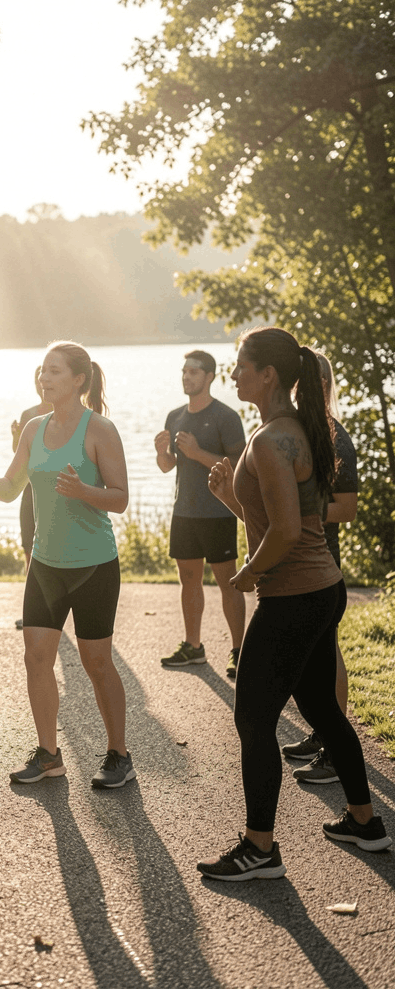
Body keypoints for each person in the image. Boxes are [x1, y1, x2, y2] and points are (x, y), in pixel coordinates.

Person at [196, 327, 389, 882]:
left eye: (239, 366)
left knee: (253, 718)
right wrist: (231, 497)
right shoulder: (300, 429)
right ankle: (365, 822)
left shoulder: (270, 439)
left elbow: (282, 533)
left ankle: (259, 849)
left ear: (268, 375)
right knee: (323, 709)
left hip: (293, 598)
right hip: (320, 591)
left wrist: (247, 573)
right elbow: (285, 520)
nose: (233, 375)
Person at [0, 341, 134, 789]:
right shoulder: (33, 429)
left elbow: (120, 498)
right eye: (42, 370)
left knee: (97, 663)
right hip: (45, 565)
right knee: (36, 656)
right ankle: (49, 754)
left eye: (54, 371)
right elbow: (9, 489)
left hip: (94, 565)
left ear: (78, 380)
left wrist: (84, 493)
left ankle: (119, 754)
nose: (45, 377)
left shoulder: (100, 430)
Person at [282, 350, 359, 784]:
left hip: (323, 564)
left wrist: (294, 508)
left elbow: (346, 509)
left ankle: (334, 751)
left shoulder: (334, 436)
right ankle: (322, 733)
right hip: (301, 563)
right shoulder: (301, 432)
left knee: (327, 656)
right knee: (312, 658)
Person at [155, 350, 247, 676]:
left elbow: (239, 467)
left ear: (209, 377)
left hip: (219, 512)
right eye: (184, 371)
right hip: (184, 512)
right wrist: (159, 453)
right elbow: (168, 466)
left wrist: (196, 452)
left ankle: (239, 652)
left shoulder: (226, 417)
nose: (186, 377)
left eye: (194, 372)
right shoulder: (175, 416)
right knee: (189, 581)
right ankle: (193, 647)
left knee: (228, 584)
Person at [11, 367, 52, 630]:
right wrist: (15, 438)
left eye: (47, 377)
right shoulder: (28, 415)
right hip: (30, 492)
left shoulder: (72, 414)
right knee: (30, 550)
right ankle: (33, 610)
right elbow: (19, 455)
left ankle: (56, 608)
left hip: (56, 492)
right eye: (39, 379)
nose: (42, 383)